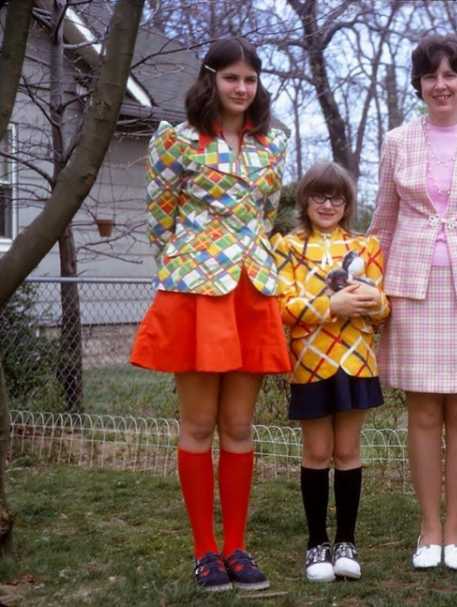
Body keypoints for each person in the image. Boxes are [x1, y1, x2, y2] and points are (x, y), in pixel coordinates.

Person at [130, 38, 290, 592]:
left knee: (240, 426)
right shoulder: (175, 142)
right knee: (199, 425)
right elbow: (161, 216)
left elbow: (265, 217)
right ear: (210, 81)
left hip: (251, 291)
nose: (241, 88)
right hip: (196, 293)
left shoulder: (271, 147)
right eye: (231, 78)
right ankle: (205, 553)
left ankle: (237, 548)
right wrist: (187, 267)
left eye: (250, 79)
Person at [368, 33, 457, 570]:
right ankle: (429, 530)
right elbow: (383, 221)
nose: (441, 84)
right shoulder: (396, 142)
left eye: (451, 75)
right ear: (420, 84)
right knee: (424, 412)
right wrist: (367, 289)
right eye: (431, 76)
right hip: (412, 289)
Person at [271, 162, 389, 583]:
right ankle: (316, 542)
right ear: (304, 200)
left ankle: (347, 542)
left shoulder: (366, 246)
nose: (327, 204)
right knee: (317, 453)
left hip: (356, 362)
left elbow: (384, 308)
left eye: (336, 197)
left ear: (347, 203)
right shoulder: (288, 246)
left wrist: (373, 300)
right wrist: (329, 308)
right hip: (310, 364)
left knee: (348, 453)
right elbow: (281, 306)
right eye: (319, 196)